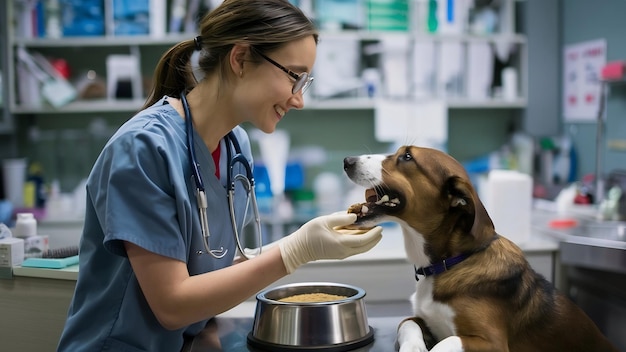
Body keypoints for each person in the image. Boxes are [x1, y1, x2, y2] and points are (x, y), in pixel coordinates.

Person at [56, 0, 383, 351]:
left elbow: (212, 266)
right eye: (293, 76)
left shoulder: (235, 146)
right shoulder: (143, 148)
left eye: (305, 81)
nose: (298, 99)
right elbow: (172, 304)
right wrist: (297, 250)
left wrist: (310, 239)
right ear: (240, 59)